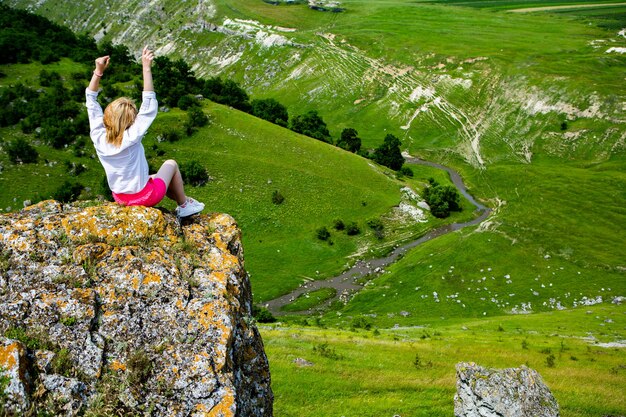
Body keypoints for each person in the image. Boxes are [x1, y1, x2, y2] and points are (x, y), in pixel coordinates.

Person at [85, 46, 204, 217]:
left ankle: (184, 198)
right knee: (171, 164)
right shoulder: (131, 136)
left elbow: (90, 99)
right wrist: (146, 67)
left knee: (155, 177)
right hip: (145, 197)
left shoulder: (98, 136)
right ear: (130, 122)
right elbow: (148, 105)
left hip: (120, 198)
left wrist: (98, 71)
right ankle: (184, 205)